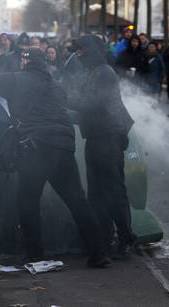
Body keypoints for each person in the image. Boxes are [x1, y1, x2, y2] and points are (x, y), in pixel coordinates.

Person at [0, 47, 111, 268]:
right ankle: (98, 253)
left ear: (25, 62)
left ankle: (35, 255)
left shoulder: (16, 80)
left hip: (37, 146)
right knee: (77, 201)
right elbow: (71, 108)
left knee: (28, 201)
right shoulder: (54, 85)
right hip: (63, 145)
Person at [70, 35, 136, 259]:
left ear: (89, 51)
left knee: (113, 191)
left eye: (80, 50)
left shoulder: (104, 72)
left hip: (108, 138)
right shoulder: (93, 72)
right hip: (97, 137)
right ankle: (105, 239)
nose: (77, 55)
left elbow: (91, 104)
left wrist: (62, 98)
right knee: (97, 193)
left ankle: (126, 238)